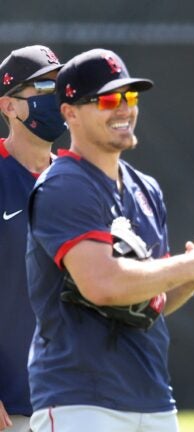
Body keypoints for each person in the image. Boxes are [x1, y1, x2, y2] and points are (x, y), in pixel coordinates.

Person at [26, 48, 194, 432]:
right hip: (81, 399)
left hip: (152, 395)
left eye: (130, 96)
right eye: (107, 99)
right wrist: (189, 265)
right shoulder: (65, 185)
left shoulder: (146, 188)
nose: (123, 109)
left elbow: (150, 303)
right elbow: (102, 285)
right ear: (69, 112)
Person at [0, 45, 66, 432]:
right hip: (14, 409)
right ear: (8, 106)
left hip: (80, 401)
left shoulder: (79, 181)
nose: (54, 99)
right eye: (42, 87)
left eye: (60, 88)